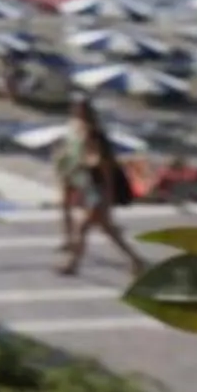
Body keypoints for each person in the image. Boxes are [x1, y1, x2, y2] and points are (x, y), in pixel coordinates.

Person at [58, 96, 143, 277]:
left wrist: (108, 196)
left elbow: (105, 169)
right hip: (93, 189)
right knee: (107, 229)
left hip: (99, 190)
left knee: (85, 228)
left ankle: (72, 266)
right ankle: (136, 260)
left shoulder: (93, 136)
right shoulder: (81, 132)